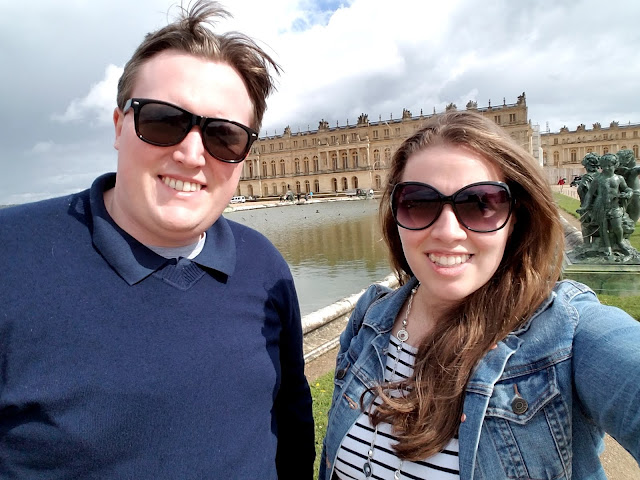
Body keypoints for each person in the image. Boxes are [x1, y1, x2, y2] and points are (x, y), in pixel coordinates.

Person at [0, 1, 314, 478]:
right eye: (163, 121)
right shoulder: (10, 255)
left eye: (224, 136)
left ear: (244, 156)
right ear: (118, 125)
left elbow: (291, 427)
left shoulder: (264, 266)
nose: (191, 154)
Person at [320, 111, 640, 480]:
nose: (448, 231)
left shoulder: (568, 334)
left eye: (480, 204)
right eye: (419, 202)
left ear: (517, 215)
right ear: (394, 213)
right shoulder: (369, 318)